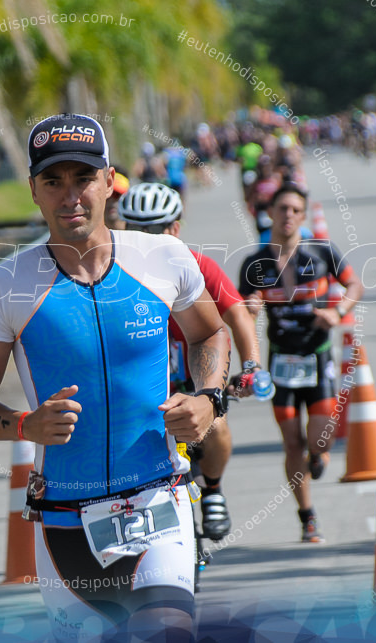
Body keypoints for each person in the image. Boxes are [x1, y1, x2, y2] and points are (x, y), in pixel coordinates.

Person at [0, 114, 230, 641]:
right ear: (34, 190)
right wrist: (24, 426)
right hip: (64, 519)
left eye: (83, 178)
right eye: (53, 181)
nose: (70, 196)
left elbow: (210, 335)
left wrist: (209, 399)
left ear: (109, 182)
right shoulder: (7, 285)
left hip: (158, 500)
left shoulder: (162, 258)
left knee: (167, 630)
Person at [117, 182, 267, 541]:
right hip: (143, 385)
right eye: (138, 230)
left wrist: (251, 367)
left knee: (216, 426)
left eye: (156, 230)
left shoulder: (198, 266)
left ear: (175, 229)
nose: (147, 239)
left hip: (197, 375)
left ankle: (213, 490)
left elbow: (239, 317)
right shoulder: (109, 274)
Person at [237, 185, 364, 543]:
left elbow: (354, 284)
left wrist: (337, 311)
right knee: (291, 443)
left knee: (319, 439)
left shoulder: (322, 253)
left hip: (318, 353)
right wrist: (251, 307)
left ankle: (318, 455)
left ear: (303, 216)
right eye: (282, 209)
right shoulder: (255, 263)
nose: (288, 215)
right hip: (281, 360)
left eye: (295, 210)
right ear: (272, 214)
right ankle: (307, 517)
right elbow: (241, 309)